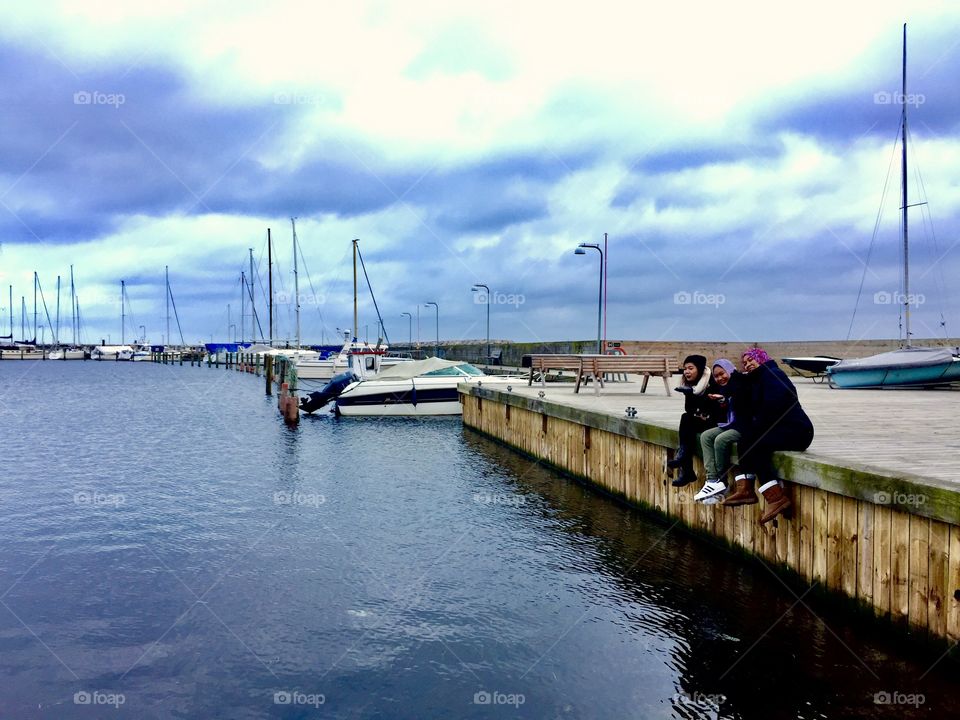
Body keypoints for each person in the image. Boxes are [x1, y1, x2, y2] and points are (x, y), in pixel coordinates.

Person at [724, 347, 815, 523]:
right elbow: (745, 409)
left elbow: (774, 406)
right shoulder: (756, 380)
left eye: (751, 360)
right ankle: (746, 489)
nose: (748, 364)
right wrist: (738, 383)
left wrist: (757, 426)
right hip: (779, 429)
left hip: (798, 431)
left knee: (756, 445)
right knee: (746, 439)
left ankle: (776, 498)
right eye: (744, 363)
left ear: (762, 359)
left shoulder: (773, 374)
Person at [667, 354, 724, 487]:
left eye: (691, 368)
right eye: (685, 368)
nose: (687, 371)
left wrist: (701, 412)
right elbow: (689, 409)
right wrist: (690, 394)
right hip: (702, 419)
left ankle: (685, 467)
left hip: (717, 421)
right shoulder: (692, 385)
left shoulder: (712, 382)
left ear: (699, 368)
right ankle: (685, 467)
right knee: (686, 418)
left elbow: (715, 408)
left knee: (688, 422)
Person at [693, 359, 744, 503]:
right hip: (731, 423)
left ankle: (722, 482)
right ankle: (712, 480)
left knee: (720, 440)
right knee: (706, 436)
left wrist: (725, 399)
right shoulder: (725, 388)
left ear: (730, 370)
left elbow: (744, 407)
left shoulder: (741, 383)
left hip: (744, 426)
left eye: (722, 374)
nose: (720, 378)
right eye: (716, 376)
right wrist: (723, 401)